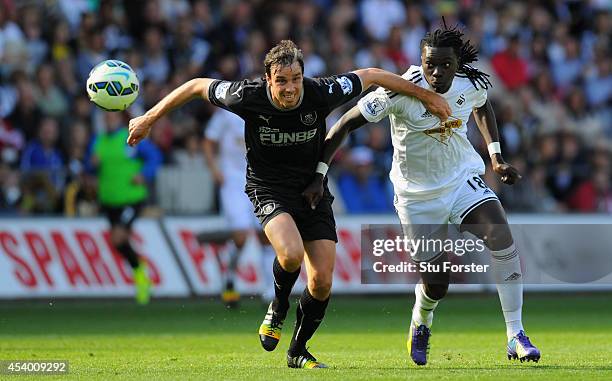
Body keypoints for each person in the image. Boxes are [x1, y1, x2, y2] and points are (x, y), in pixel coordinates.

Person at [127, 40, 450, 368]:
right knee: (291, 253)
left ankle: (298, 350)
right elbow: (196, 86)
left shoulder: (320, 93)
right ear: (267, 80)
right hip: (268, 189)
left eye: (295, 78)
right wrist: (149, 118)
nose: (290, 87)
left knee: (322, 281)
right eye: (281, 80)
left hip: (312, 190)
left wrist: (428, 96)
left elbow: (371, 75)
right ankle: (278, 307)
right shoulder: (246, 96)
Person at [303, 22, 541, 365]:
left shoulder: (470, 82)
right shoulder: (399, 90)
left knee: (500, 235)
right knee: (437, 284)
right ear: (420, 59)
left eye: (446, 64)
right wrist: (319, 175)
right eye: (430, 64)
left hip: (462, 179)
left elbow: (482, 105)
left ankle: (515, 334)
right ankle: (422, 318)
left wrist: (496, 156)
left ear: (457, 63)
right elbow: (343, 124)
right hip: (416, 197)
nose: (437, 72)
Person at [203, 108, 276, 307]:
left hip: (260, 181)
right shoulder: (227, 114)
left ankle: (270, 291)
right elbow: (208, 141)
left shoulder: (268, 114)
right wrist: (214, 170)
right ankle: (229, 278)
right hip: (233, 183)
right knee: (241, 236)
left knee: (265, 235)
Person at [90, 111, 162, 304]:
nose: (109, 120)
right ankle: (140, 269)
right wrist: (92, 164)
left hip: (131, 197)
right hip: (109, 200)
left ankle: (141, 276)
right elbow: (91, 167)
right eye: (106, 117)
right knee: (117, 242)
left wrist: (145, 174)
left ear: (119, 120)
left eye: (112, 117)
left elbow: (155, 157)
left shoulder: (130, 138)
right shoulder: (98, 141)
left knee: (118, 236)